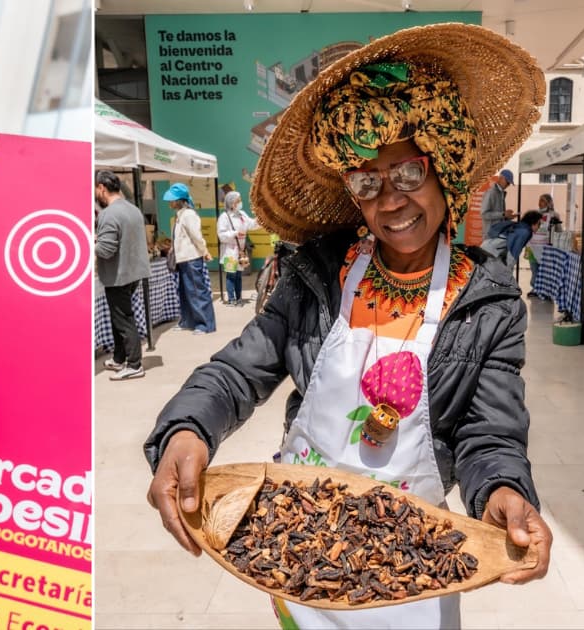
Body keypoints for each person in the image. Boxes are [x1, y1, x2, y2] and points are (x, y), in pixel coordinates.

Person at [144, 24, 552, 629]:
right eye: (367, 182)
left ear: (444, 167)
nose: (390, 200)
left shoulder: (488, 302)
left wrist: (502, 492)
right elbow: (239, 369)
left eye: (408, 173)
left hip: (412, 562)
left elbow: (489, 433)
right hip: (301, 551)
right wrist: (187, 428)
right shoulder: (319, 273)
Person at [95, 170, 151, 381]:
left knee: (124, 320)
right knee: (118, 317)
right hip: (132, 273)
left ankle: (135, 364)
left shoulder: (109, 214)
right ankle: (119, 358)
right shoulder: (133, 209)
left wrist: (93, 242)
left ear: (101, 188)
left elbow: (106, 250)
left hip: (118, 275)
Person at [166, 183, 216, 334]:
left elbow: (197, 237)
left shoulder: (189, 215)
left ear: (180, 200)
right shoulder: (181, 215)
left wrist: (204, 251)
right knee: (186, 292)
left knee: (197, 291)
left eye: (172, 200)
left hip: (192, 258)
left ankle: (205, 324)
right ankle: (187, 321)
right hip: (183, 259)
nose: (170, 202)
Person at [217, 190, 257, 306]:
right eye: (238, 201)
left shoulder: (242, 214)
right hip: (229, 252)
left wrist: (260, 220)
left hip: (240, 252)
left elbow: (252, 224)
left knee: (239, 275)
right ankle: (231, 299)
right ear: (232, 203)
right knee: (231, 275)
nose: (240, 203)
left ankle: (239, 298)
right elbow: (221, 235)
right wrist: (235, 234)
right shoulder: (224, 217)